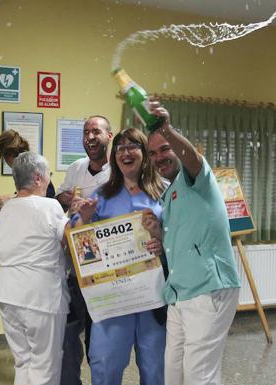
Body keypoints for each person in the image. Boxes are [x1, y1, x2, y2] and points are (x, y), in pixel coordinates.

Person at [144, 102, 241, 385]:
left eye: (165, 149)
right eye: (153, 153)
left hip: (207, 289)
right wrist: (159, 234)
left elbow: (193, 159)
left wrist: (166, 130)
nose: (159, 157)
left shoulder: (198, 178)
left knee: (199, 375)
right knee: (173, 374)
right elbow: (186, 238)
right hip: (178, 294)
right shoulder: (171, 192)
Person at [75, 128, 166, 385]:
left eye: (132, 146)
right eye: (120, 148)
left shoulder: (164, 192)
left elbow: (178, 237)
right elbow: (75, 238)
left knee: (156, 366)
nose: (125, 153)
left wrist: (162, 241)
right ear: (114, 156)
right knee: (105, 364)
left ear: (145, 153)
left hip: (154, 298)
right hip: (113, 299)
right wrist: (85, 218)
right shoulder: (101, 196)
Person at [0, 152, 69, 385]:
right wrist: (78, 215)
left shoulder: (7, 208)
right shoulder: (49, 206)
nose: (48, 180)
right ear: (37, 178)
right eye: (48, 175)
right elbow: (69, 240)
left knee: (23, 363)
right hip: (41, 298)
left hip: (8, 295)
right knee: (45, 367)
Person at [55, 115, 112, 385]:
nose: (90, 137)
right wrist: (68, 200)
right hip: (75, 266)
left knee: (99, 342)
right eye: (86, 132)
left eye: (96, 132)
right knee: (68, 338)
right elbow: (60, 198)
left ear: (109, 136)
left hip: (105, 269)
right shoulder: (77, 167)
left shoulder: (118, 172)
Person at [0, 130, 55, 211]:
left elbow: (42, 201)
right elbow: (9, 203)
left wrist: (12, 198)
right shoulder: (23, 173)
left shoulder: (34, 170)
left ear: (9, 156)